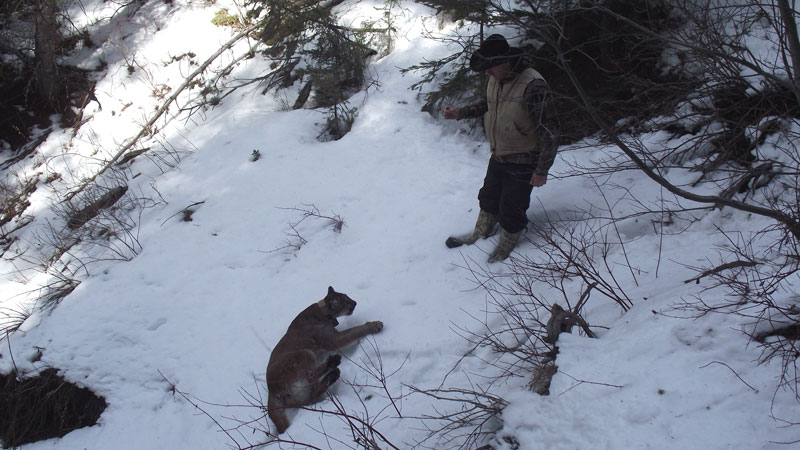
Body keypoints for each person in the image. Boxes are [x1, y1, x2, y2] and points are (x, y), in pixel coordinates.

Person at [443, 33, 559, 262]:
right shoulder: (496, 78)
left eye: (490, 67)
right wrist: (460, 113)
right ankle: (481, 233)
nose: (487, 72)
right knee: (488, 197)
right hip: (499, 154)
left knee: (512, 207)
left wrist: (542, 170)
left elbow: (551, 131)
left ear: (506, 62)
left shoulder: (533, 85)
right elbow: (487, 105)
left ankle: (507, 241)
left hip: (524, 158)